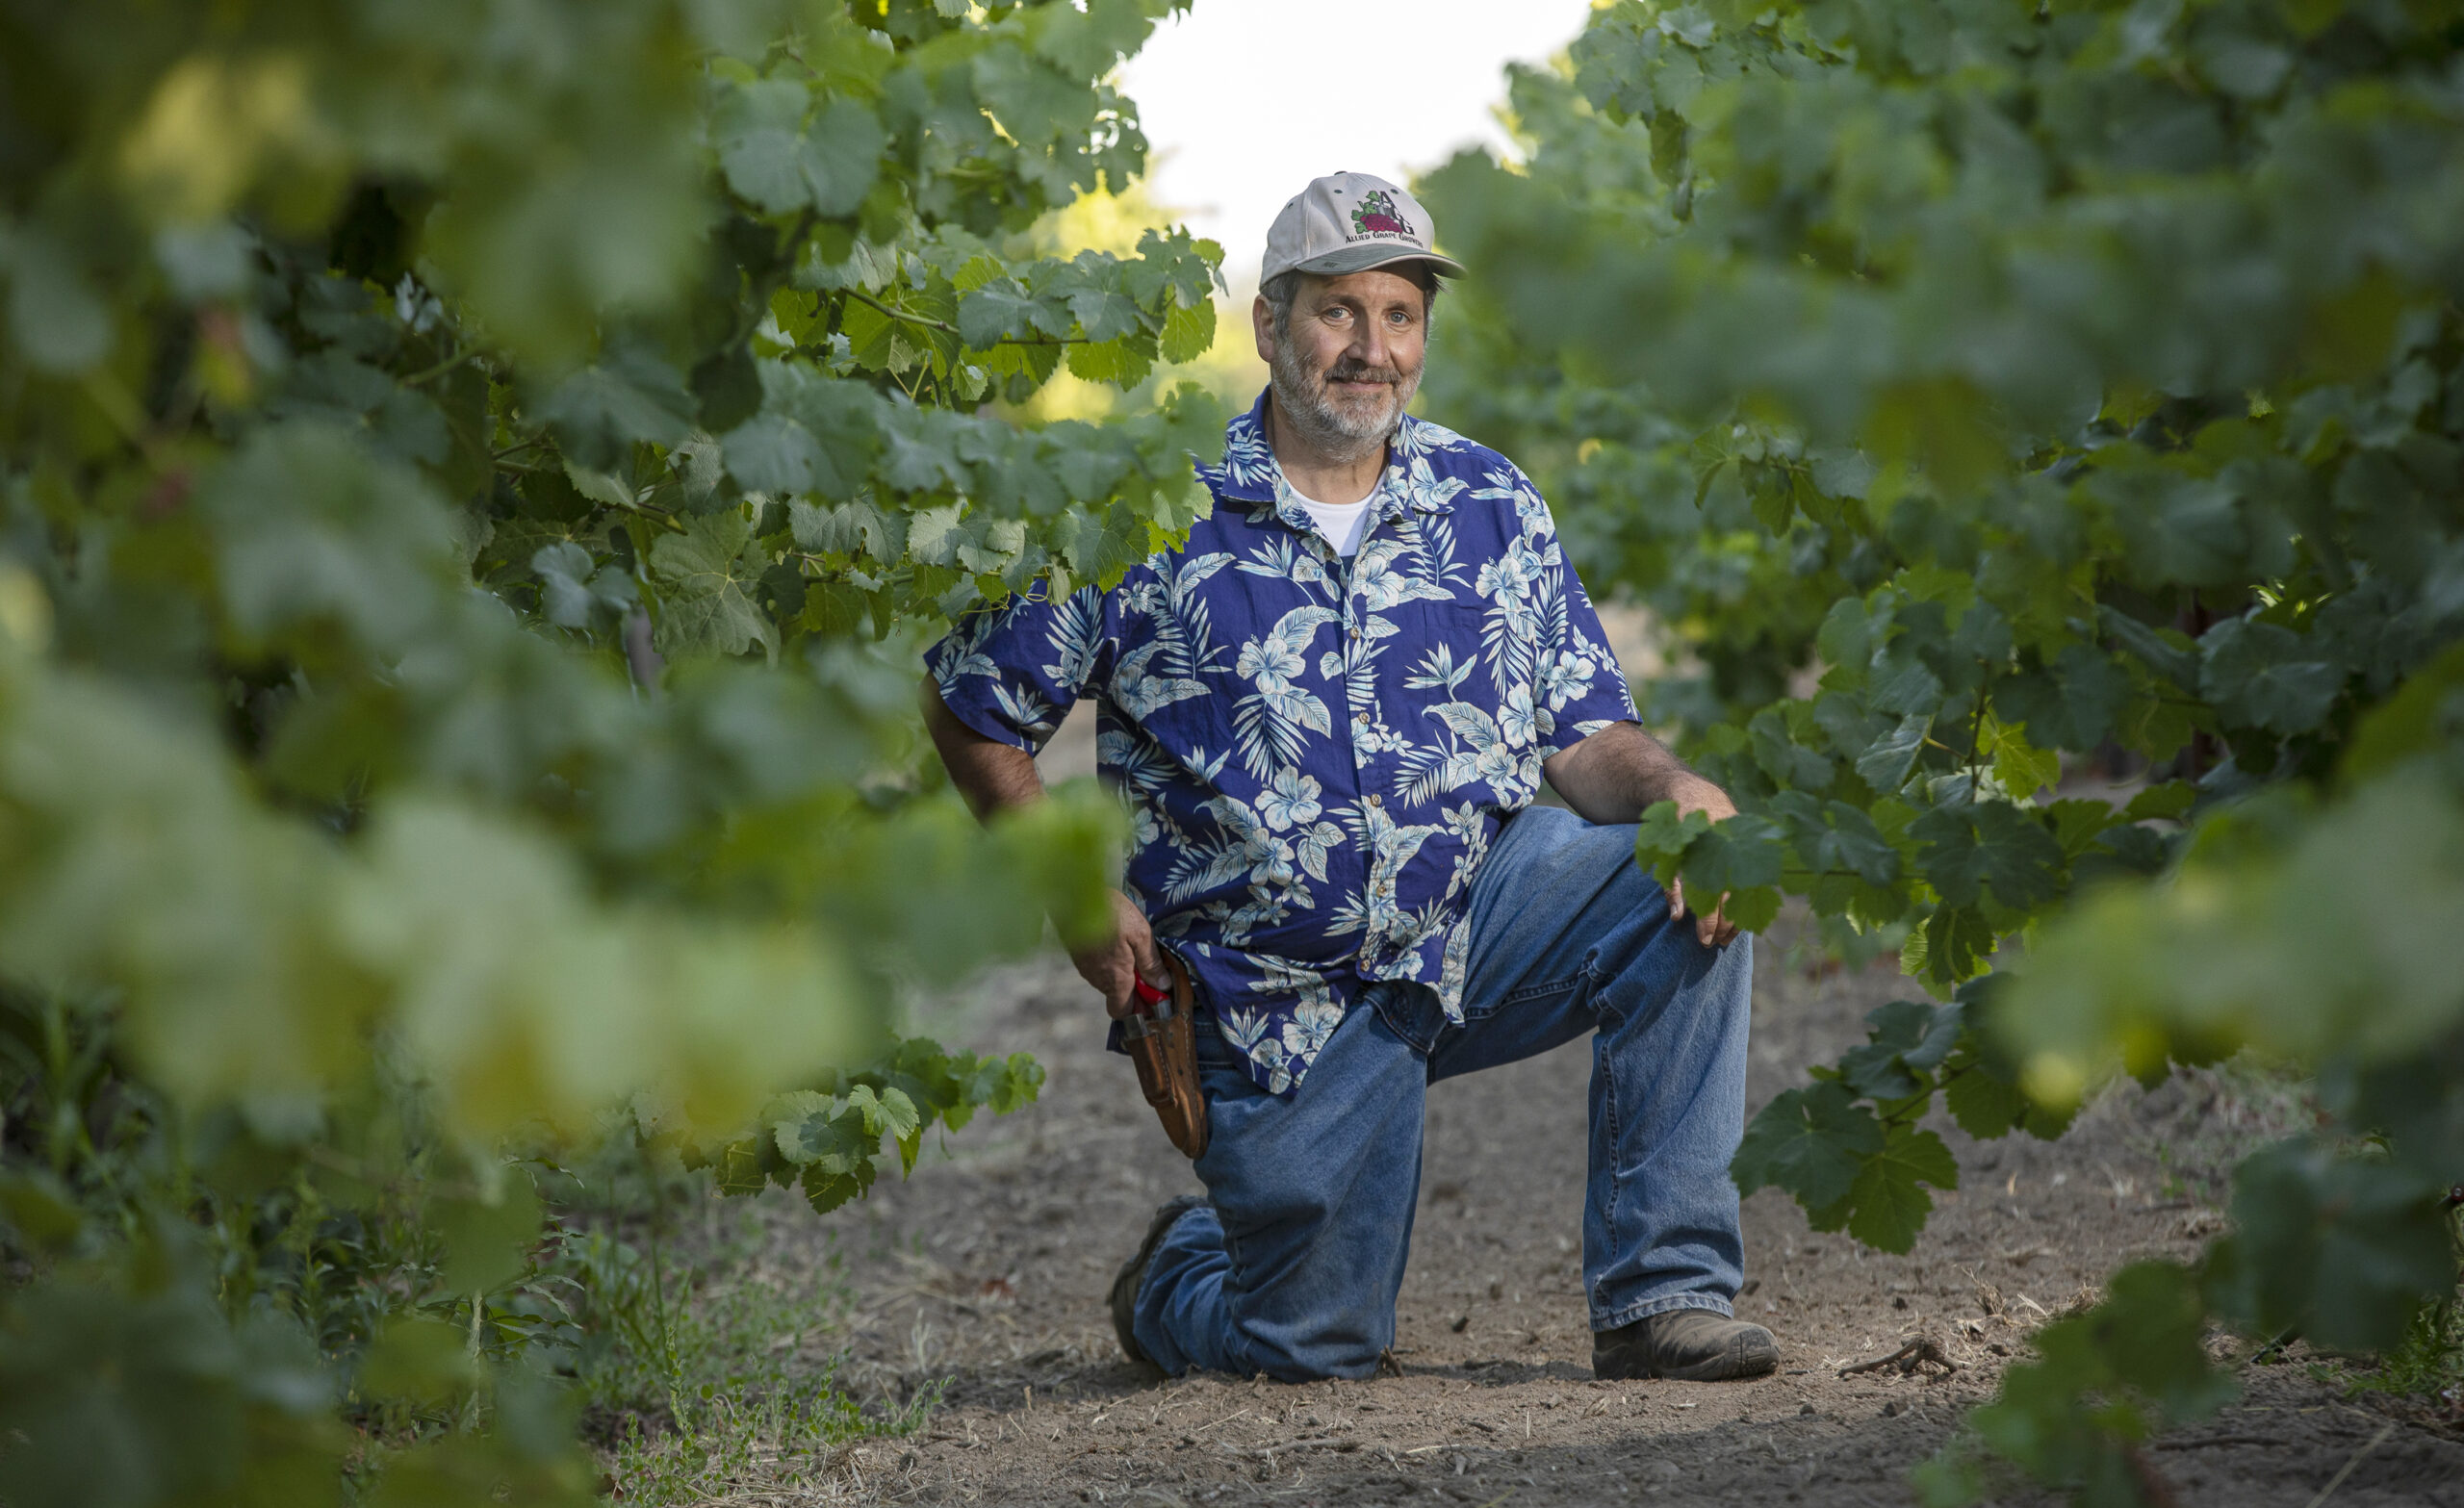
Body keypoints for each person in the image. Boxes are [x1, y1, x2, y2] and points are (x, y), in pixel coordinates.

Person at [922, 172, 1776, 1385]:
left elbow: (1587, 735)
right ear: (1270, 323)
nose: (1371, 348)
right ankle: (1183, 1270)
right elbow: (970, 708)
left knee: (1682, 885)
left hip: (1475, 915)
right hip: (1271, 990)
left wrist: (1674, 791)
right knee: (1313, 1343)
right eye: (1338, 311)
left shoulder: (1485, 500)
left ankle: (1661, 1294)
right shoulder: (1146, 512)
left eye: (1400, 314)